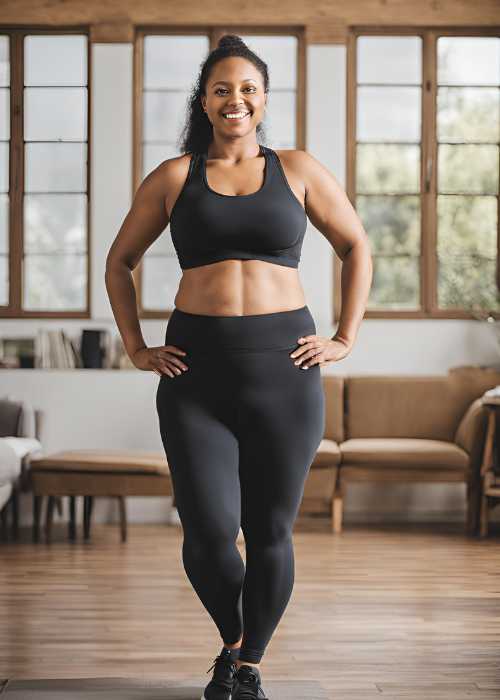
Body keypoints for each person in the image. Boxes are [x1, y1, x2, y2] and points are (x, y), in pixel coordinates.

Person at [105, 33, 372, 700]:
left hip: (285, 370)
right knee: (206, 530)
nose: (236, 99)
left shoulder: (299, 169)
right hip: (195, 375)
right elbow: (119, 263)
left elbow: (356, 245)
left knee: (272, 530)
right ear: (205, 99)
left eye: (248, 88)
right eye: (223, 88)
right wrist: (137, 347)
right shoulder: (173, 176)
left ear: (264, 99)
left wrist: (345, 336)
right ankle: (233, 640)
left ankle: (247, 665)